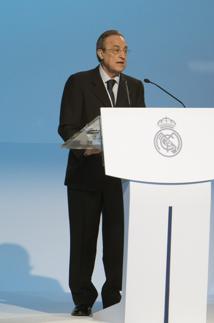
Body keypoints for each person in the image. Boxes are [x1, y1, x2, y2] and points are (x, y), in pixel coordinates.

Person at [58, 30, 145, 317]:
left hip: (119, 179)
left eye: (126, 50)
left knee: (116, 240)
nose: (122, 55)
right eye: (116, 49)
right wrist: (87, 148)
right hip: (85, 175)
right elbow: (67, 127)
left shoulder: (134, 87)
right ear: (100, 53)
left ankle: (113, 296)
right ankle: (83, 299)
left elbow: (141, 128)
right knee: (83, 240)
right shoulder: (79, 82)